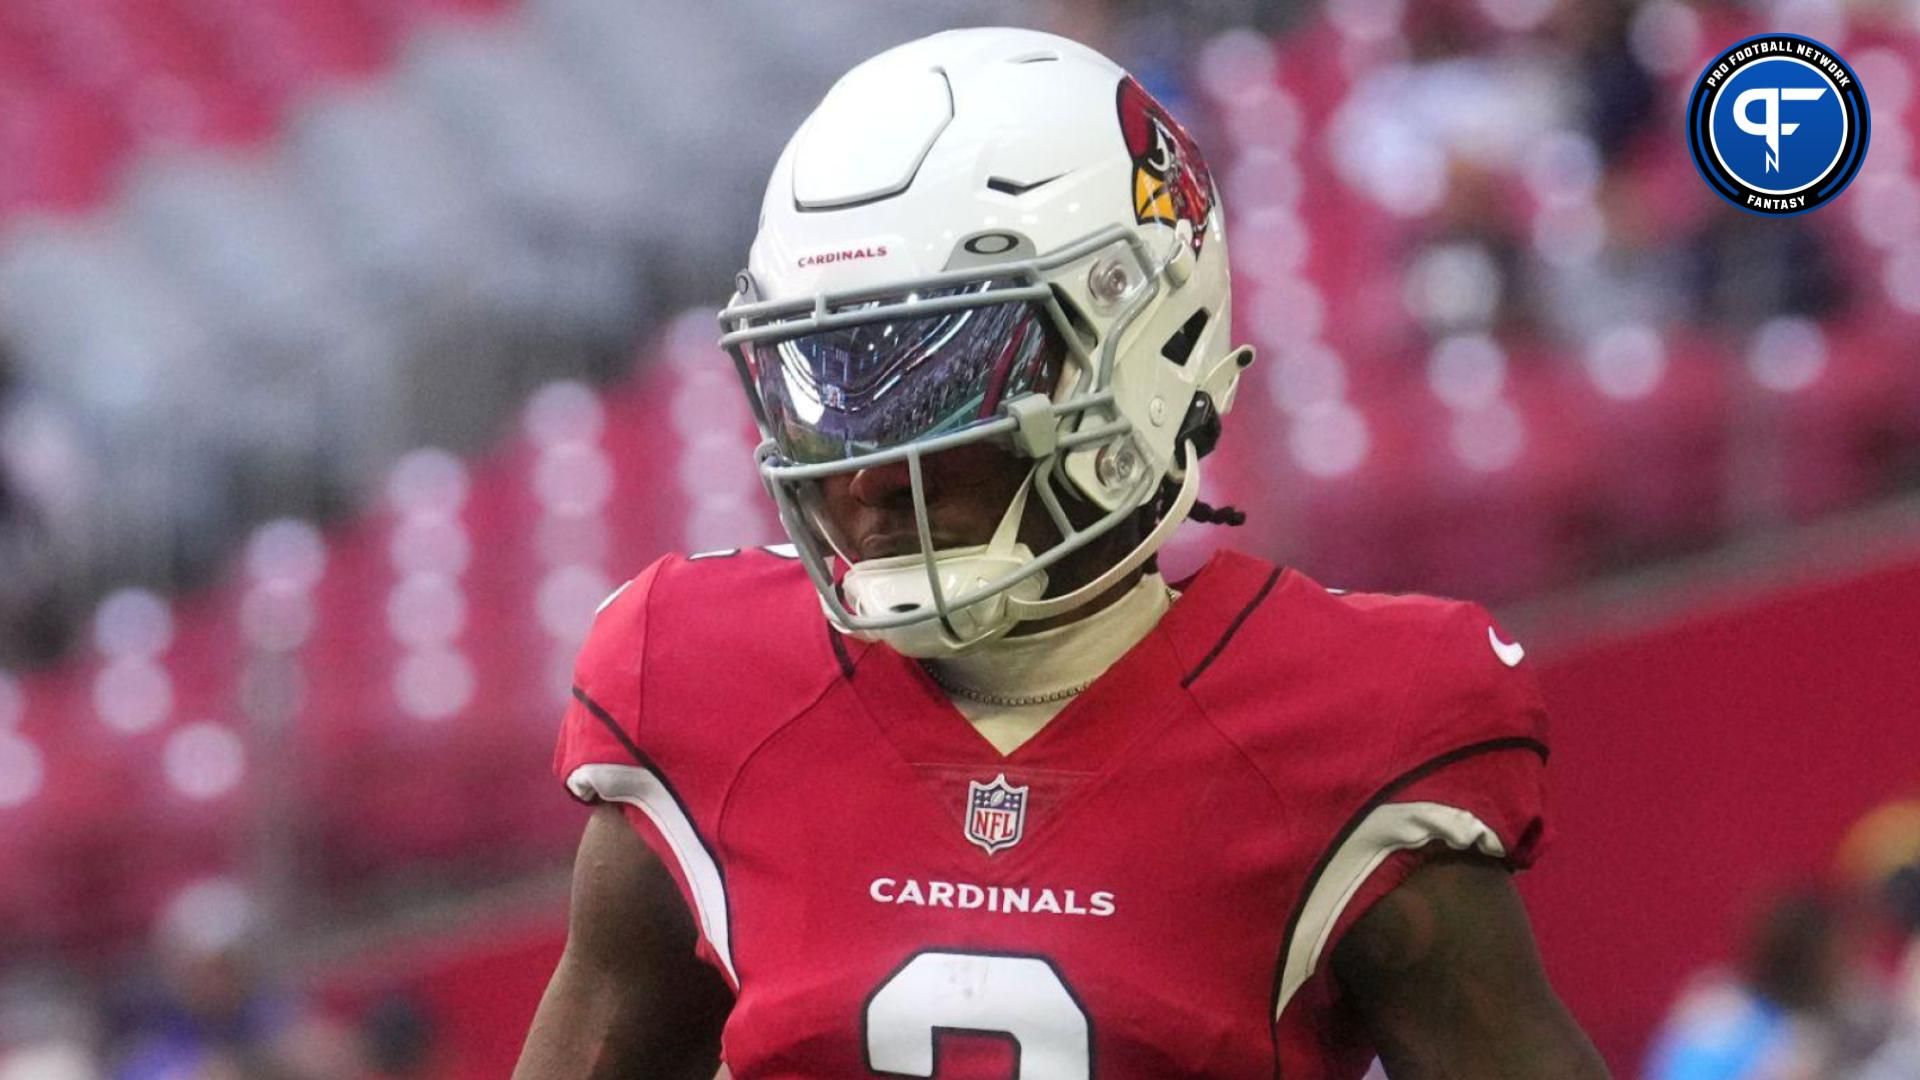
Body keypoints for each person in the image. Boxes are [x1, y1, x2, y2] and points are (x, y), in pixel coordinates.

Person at [516, 27, 1606, 1079]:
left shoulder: (1351, 723)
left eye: (938, 387)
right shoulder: (700, 685)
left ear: (1147, 350)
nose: (860, 472)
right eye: (830, 386)